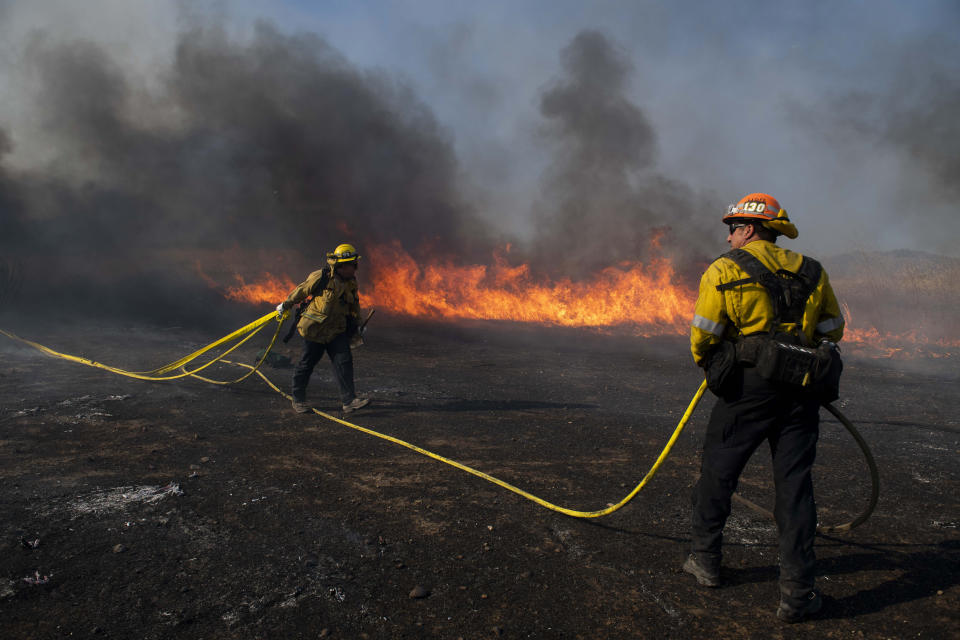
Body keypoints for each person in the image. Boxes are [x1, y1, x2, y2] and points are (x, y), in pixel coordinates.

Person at [685, 193, 845, 623]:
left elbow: (704, 334)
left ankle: (705, 560)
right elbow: (833, 328)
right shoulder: (812, 269)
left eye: (732, 229)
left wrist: (716, 365)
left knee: (719, 471)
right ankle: (797, 593)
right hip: (801, 387)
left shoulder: (724, 268)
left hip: (747, 387)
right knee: (794, 486)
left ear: (749, 228)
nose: (730, 237)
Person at [276, 243, 370, 415]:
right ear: (342, 266)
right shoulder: (321, 277)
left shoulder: (351, 283)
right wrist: (286, 304)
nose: (356, 268)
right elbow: (301, 290)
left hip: (336, 330)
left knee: (344, 363)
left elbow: (354, 304)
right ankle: (298, 400)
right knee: (306, 364)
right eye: (353, 265)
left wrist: (357, 324)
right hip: (315, 330)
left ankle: (349, 401)